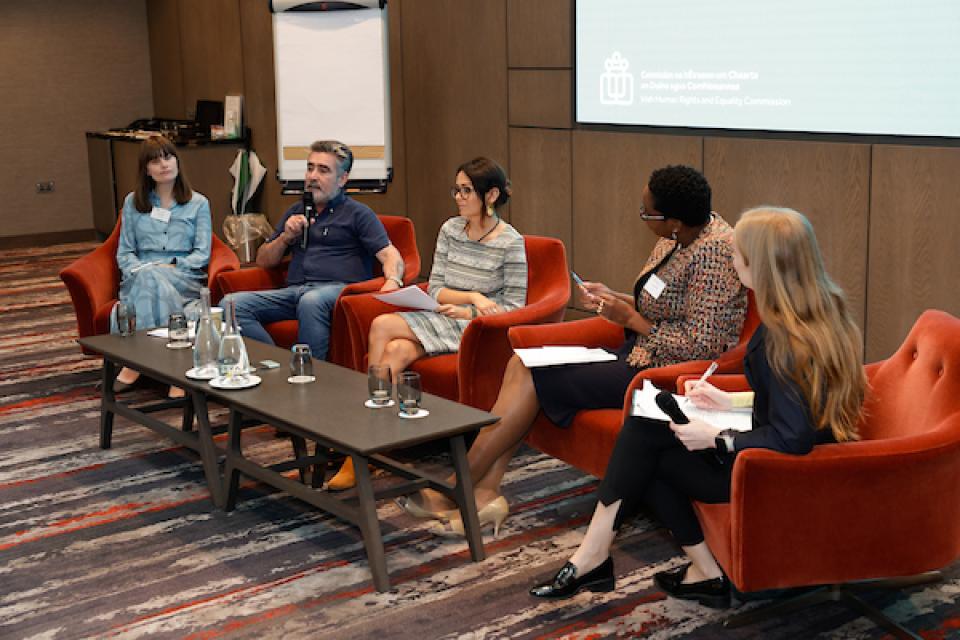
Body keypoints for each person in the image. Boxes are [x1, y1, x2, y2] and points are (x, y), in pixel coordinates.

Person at [528, 206, 867, 608]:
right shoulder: (815, 313)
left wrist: (719, 438)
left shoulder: (785, 340)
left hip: (773, 471)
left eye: (738, 253)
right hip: (778, 451)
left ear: (760, 264)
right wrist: (732, 401)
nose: (731, 258)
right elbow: (799, 407)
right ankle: (612, 559)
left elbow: (792, 437)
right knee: (645, 424)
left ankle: (601, 559)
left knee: (645, 447)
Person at [397, 165, 748, 536]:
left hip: (664, 373)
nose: (643, 220)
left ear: (674, 220)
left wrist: (631, 319)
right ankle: (482, 492)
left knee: (531, 375)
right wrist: (614, 298)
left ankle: (458, 487)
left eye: (647, 214)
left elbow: (703, 345)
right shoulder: (677, 237)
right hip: (638, 351)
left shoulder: (715, 253)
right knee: (522, 364)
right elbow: (662, 306)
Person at [326, 157, 528, 490]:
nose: (459, 197)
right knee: (394, 351)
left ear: (491, 195)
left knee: (382, 327)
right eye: (457, 189)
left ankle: (362, 443)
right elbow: (435, 287)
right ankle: (375, 443)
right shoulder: (450, 229)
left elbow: (513, 307)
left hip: (475, 329)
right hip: (442, 315)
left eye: (466, 191)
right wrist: (474, 296)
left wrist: (473, 312)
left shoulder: (510, 243)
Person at [225, 140, 404, 360]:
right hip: (295, 292)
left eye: (323, 170)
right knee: (231, 305)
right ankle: (277, 365)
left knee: (311, 300)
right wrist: (286, 237)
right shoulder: (296, 210)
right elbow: (264, 260)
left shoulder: (358, 213)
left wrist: (393, 281)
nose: (312, 176)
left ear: (342, 179)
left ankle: (310, 376)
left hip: (338, 292)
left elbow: (390, 254)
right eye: (310, 168)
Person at [112, 135, 213, 398]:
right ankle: (177, 371)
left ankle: (135, 363)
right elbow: (125, 252)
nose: (164, 165)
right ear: (146, 169)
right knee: (149, 276)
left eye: (168, 157)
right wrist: (143, 269)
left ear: (177, 161)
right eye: (155, 161)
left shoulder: (199, 204)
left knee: (153, 276)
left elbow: (202, 254)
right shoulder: (133, 203)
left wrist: (171, 265)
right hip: (141, 274)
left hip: (183, 275)